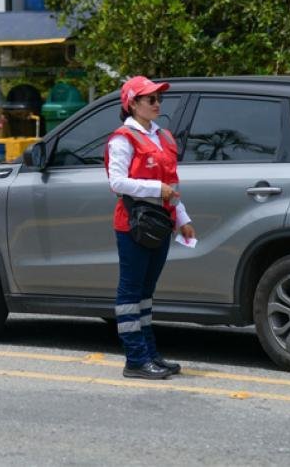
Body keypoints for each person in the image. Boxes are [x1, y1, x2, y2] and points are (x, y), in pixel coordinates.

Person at [104, 76, 197, 380]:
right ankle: (135, 359)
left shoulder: (164, 137)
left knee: (146, 293)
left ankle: (150, 354)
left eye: (159, 98)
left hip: (161, 223)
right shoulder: (122, 138)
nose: (157, 103)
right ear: (132, 104)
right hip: (133, 224)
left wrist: (182, 219)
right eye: (150, 99)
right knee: (131, 291)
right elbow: (116, 183)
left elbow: (173, 184)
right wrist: (157, 189)